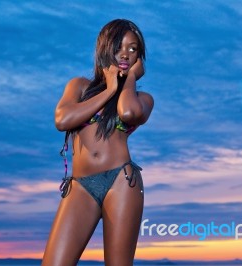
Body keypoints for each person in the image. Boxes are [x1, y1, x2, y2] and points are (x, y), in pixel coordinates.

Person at [42, 19, 154, 266]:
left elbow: (127, 113)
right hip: (80, 185)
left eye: (133, 49)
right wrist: (109, 89)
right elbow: (62, 119)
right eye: (118, 47)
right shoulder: (79, 86)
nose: (125, 54)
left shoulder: (143, 98)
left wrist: (130, 79)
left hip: (122, 182)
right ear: (105, 48)